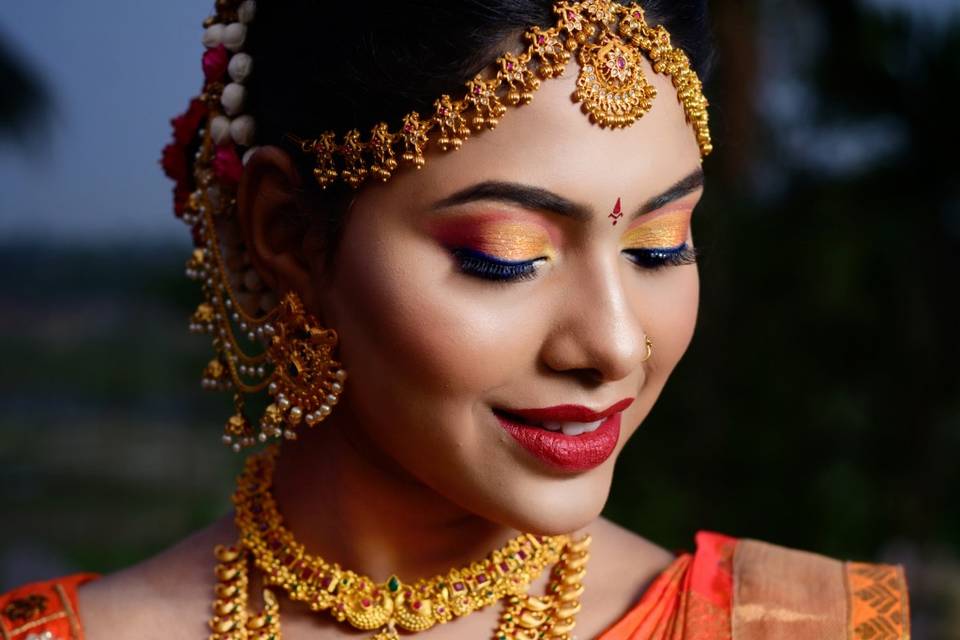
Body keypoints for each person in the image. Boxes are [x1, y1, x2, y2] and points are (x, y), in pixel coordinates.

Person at [0, 1, 911, 639]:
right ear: (287, 237)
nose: (612, 344)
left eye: (661, 244)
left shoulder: (799, 623)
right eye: (506, 255)